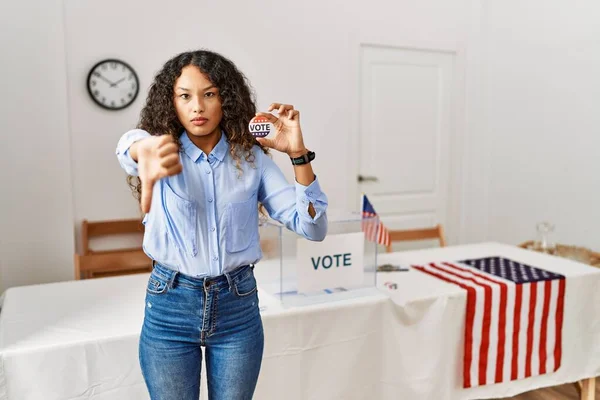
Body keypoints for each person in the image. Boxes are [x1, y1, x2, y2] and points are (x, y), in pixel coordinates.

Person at [115, 49, 328, 400]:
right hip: (170, 306)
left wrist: (297, 154)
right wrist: (145, 149)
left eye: (209, 94)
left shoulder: (252, 159)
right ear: (172, 102)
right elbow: (129, 147)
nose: (197, 106)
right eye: (185, 96)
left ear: (225, 99)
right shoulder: (161, 151)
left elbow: (314, 229)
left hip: (237, 309)